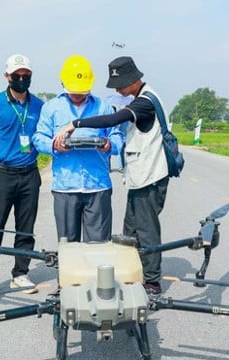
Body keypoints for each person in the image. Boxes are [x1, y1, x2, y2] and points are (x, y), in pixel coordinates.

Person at [56, 56, 170, 295]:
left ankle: (152, 281)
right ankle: (132, 273)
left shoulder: (145, 102)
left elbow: (114, 120)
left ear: (132, 80)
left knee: (146, 230)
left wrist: (75, 124)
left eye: (119, 85)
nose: (117, 90)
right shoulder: (144, 97)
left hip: (151, 177)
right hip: (141, 178)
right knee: (130, 231)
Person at [33, 54, 123, 243]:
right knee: (68, 247)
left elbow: (117, 136)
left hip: (97, 185)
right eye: (73, 90)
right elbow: (38, 138)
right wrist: (54, 145)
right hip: (66, 186)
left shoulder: (103, 108)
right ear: (63, 82)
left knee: (98, 245)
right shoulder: (52, 108)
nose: (77, 94)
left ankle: (94, 273)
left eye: (81, 91)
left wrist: (109, 145)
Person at [0, 54, 43, 299]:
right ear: (7, 76)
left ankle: (20, 273)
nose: (22, 79)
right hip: (2, 174)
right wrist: (5, 153)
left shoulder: (38, 106)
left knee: (25, 227)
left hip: (29, 174)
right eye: (17, 76)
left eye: (26, 76)